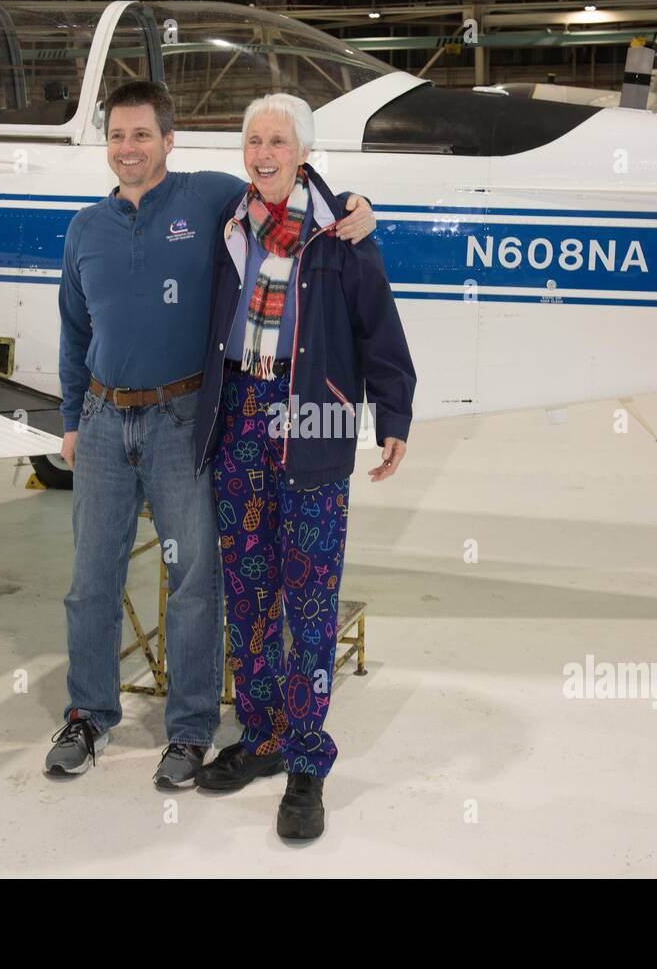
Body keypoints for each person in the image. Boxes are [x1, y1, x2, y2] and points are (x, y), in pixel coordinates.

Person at [47, 81, 376, 790]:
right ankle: (88, 713)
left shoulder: (209, 199)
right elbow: (75, 334)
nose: (129, 149)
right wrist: (72, 420)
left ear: (170, 141)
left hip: (180, 419)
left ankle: (191, 731)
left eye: (143, 135)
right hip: (104, 422)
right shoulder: (84, 228)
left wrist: (358, 208)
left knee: (196, 579)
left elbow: (291, 189)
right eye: (117, 137)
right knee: (90, 581)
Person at [191, 93, 416, 840]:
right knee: (248, 588)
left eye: (277, 141)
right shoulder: (232, 220)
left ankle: (308, 760)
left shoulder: (340, 232)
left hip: (311, 418)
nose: (263, 153)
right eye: (253, 139)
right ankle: (260, 736)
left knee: (309, 599)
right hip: (242, 416)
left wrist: (394, 414)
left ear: (304, 151)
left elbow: (378, 325)